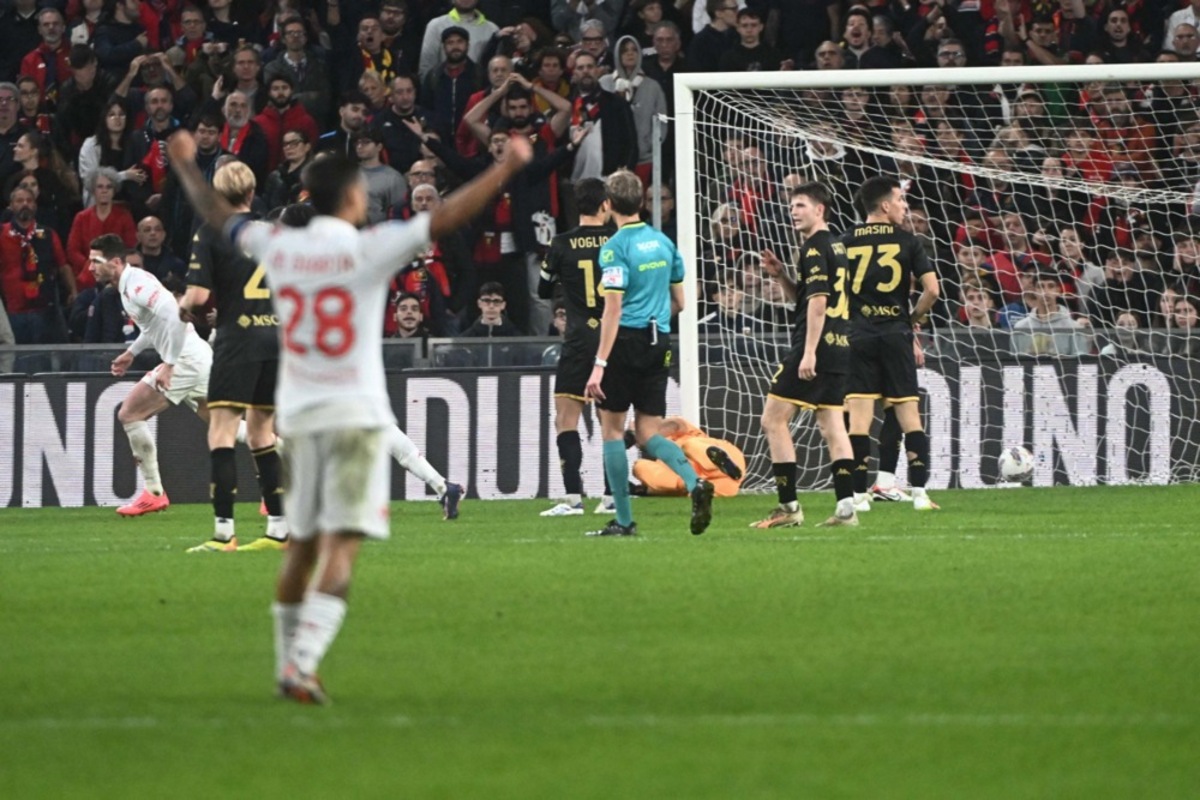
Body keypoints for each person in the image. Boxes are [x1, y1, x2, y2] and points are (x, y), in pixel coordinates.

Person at [165, 125, 532, 705]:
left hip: (302, 415)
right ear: (355, 198)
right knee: (341, 551)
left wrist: (186, 163)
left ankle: (288, 660)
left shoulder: (277, 246)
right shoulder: (368, 247)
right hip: (356, 415)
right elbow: (447, 216)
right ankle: (303, 664)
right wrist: (506, 169)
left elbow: (217, 215)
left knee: (303, 545)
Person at [583, 169, 715, 537]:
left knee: (612, 432)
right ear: (642, 201)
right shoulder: (664, 243)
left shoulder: (614, 249)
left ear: (608, 205)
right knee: (647, 432)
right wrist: (654, 320)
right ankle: (694, 482)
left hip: (625, 342)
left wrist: (599, 364)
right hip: (659, 343)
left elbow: (613, 309)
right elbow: (681, 302)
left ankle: (624, 520)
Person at [179, 161, 286, 553]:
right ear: (252, 193)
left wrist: (180, 305)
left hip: (237, 339)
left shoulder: (212, 232)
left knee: (222, 432)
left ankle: (224, 533)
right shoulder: (273, 233)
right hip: (275, 339)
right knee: (263, 433)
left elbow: (198, 297)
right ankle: (279, 529)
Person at [752, 183, 858, 529]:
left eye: (801, 205)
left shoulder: (814, 248)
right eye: (792, 206)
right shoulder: (837, 246)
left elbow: (817, 304)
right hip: (842, 345)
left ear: (820, 210)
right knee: (831, 424)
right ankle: (846, 508)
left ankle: (789, 506)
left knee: (773, 419)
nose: (794, 211)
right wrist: (782, 275)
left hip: (817, 346)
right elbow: (806, 297)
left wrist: (809, 352)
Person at [88, 234, 212, 516]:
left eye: (95, 261)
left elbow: (175, 315)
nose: (90, 267)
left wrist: (168, 364)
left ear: (115, 262)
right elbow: (155, 325)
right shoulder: (126, 285)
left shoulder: (138, 284)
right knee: (224, 427)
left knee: (129, 413)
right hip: (196, 356)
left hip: (185, 360)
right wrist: (132, 352)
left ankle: (154, 492)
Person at [843, 175, 940, 513]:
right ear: (884, 205)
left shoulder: (845, 242)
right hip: (896, 336)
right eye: (900, 200)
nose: (904, 206)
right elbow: (932, 291)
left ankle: (857, 497)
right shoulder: (909, 242)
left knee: (857, 421)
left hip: (857, 336)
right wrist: (910, 321)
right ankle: (920, 496)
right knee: (909, 416)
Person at [536, 177, 614, 516]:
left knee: (566, 420)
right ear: (605, 205)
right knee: (611, 422)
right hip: (614, 339)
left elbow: (542, 289)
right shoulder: (617, 240)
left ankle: (572, 499)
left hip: (579, 338)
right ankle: (612, 498)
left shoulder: (561, 243)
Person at [631, 417, 745, 498]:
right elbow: (657, 483)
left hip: (727, 461)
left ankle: (715, 460)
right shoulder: (660, 461)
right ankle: (693, 484)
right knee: (639, 466)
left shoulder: (686, 433)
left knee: (690, 445)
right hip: (720, 487)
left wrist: (647, 435)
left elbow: (676, 424)